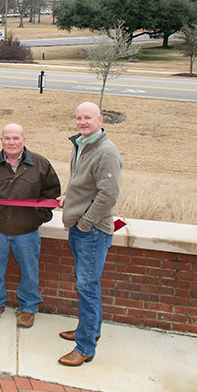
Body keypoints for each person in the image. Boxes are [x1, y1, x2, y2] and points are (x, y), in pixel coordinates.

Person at [0, 124, 61, 327]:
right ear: (1, 140)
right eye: (7, 138)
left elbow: (51, 194)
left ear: (24, 140)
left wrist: (38, 217)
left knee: (29, 270)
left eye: (16, 138)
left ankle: (28, 307)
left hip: (27, 231)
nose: (11, 142)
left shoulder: (40, 164)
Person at [56, 102, 122, 366]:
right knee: (85, 284)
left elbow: (108, 194)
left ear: (100, 119)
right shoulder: (82, 144)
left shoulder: (106, 151)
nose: (82, 122)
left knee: (87, 286)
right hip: (80, 226)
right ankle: (89, 329)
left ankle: (84, 347)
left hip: (92, 231)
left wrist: (85, 223)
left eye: (88, 118)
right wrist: (67, 197)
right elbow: (82, 182)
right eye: (79, 118)